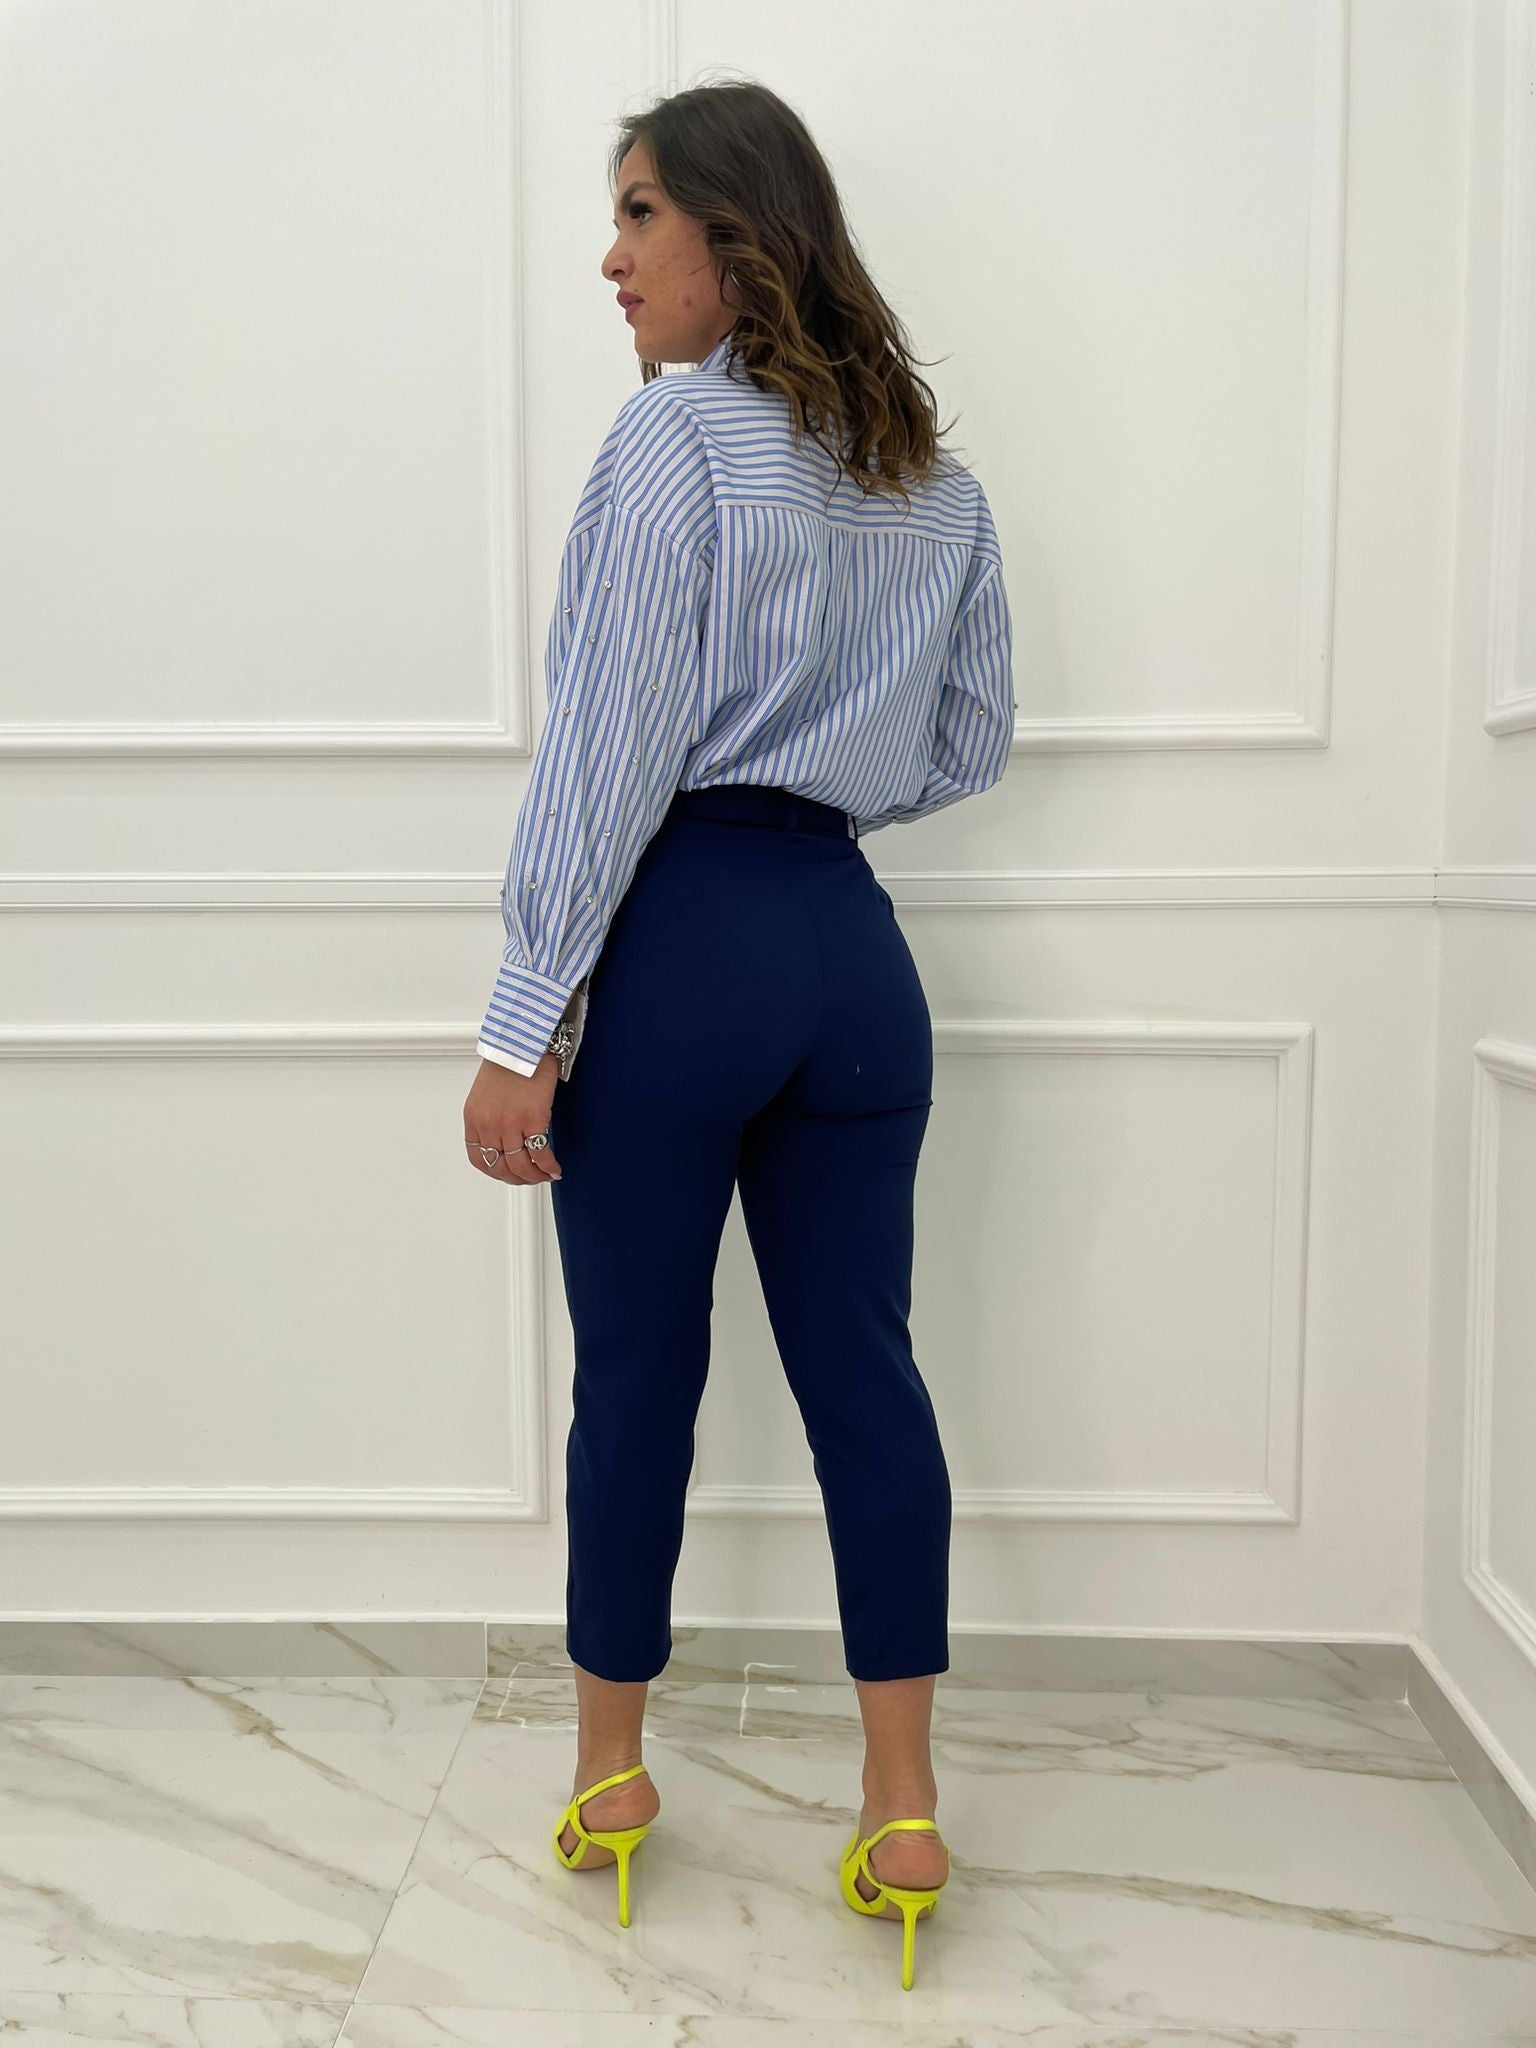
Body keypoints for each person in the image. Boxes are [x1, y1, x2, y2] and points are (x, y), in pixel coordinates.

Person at [461, 79, 1014, 1983]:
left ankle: (612, 1779)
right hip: (852, 959)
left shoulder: (676, 438)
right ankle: (905, 1808)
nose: (611, 260)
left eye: (638, 215)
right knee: (872, 1379)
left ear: (735, 229)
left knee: (638, 1379)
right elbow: (969, 743)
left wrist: (524, 1019)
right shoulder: (931, 480)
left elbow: (610, 749)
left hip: (683, 943)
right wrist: (819, 797)